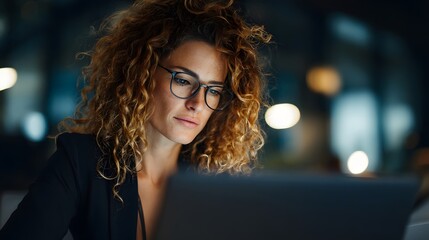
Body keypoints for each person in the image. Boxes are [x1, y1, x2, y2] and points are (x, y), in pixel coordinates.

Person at [0, 0, 271, 239]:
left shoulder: (216, 185)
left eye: (213, 90)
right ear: (142, 75)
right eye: (184, 80)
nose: (197, 103)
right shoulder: (82, 162)